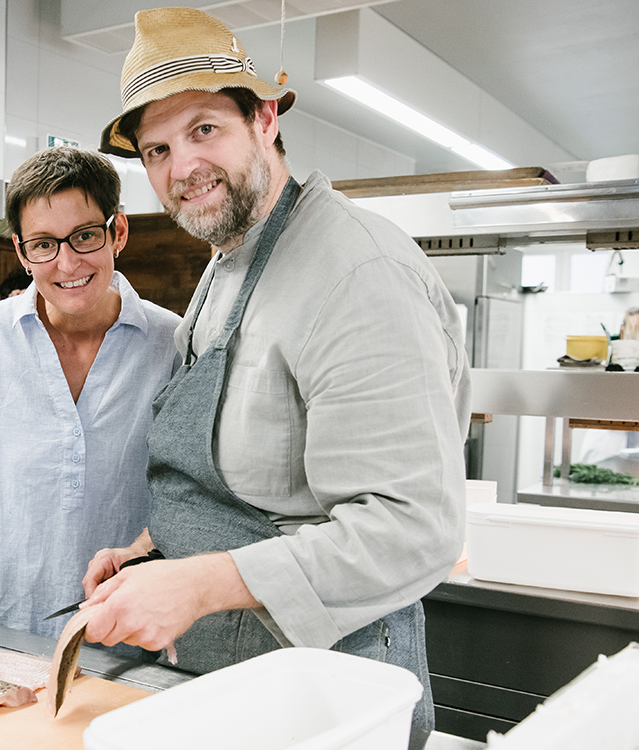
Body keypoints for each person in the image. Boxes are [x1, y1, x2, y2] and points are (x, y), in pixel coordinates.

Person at [80, 8, 471, 748]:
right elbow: (243, 465)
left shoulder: (357, 272)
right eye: (157, 149)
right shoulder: (230, 257)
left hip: (332, 686)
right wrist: (154, 550)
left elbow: (411, 528)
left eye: (203, 130)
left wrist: (197, 582)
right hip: (237, 669)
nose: (180, 168)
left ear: (263, 117)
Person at [0, 146, 182, 642]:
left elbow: (188, 490)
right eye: (43, 244)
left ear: (117, 232)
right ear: (20, 250)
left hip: (123, 627)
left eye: (83, 236)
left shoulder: (172, 344)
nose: (66, 262)